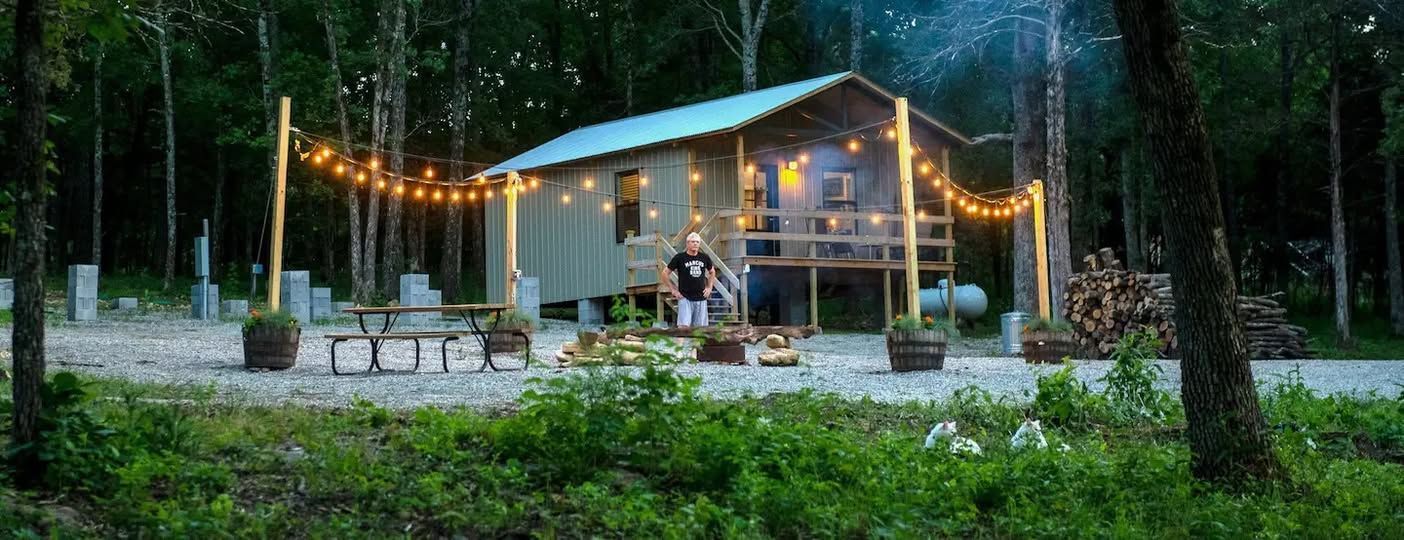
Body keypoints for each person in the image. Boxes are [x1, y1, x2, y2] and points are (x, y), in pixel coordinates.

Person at [665, 232, 716, 327]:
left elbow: (712, 272)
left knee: (701, 329)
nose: (695, 244)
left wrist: (709, 288)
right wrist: (673, 290)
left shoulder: (704, 257)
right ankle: (683, 342)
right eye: (693, 242)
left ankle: (698, 343)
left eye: (697, 242)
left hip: (701, 297)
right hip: (685, 297)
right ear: (687, 243)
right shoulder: (679, 258)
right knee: (684, 327)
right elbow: (665, 273)